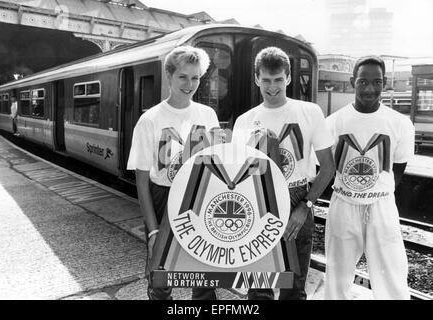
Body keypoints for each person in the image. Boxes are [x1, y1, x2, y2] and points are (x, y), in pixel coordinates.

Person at [232, 47, 335, 300]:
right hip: (258, 200)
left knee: (293, 288)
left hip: (298, 196)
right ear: (256, 79)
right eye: (266, 80)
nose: (272, 87)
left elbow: (328, 167)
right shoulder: (245, 121)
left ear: (288, 78)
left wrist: (305, 206)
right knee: (259, 289)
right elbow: (236, 174)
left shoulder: (310, 112)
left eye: (278, 79)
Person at [127, 46, 220, 300]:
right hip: (162, 198)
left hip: (199, 199)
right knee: (161, 277)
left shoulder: (208, 115)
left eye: (196, 77)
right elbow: (142, 180)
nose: (190, 84)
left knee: (203, 275)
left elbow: (214, 166)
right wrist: (153, 230)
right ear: (169, 76)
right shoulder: (150, 120)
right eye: (183, 76)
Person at [324, 56, 414, 300]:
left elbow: (398, 168)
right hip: (343, 204)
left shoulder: (400, 123)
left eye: (377, 82)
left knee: (391, 277)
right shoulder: (333, 122)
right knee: (337, 276)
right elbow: (325, 166)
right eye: (363, 82)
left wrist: (374, 192)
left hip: (381, 206)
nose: (370, 89)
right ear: (354, 82)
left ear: (384, 83)